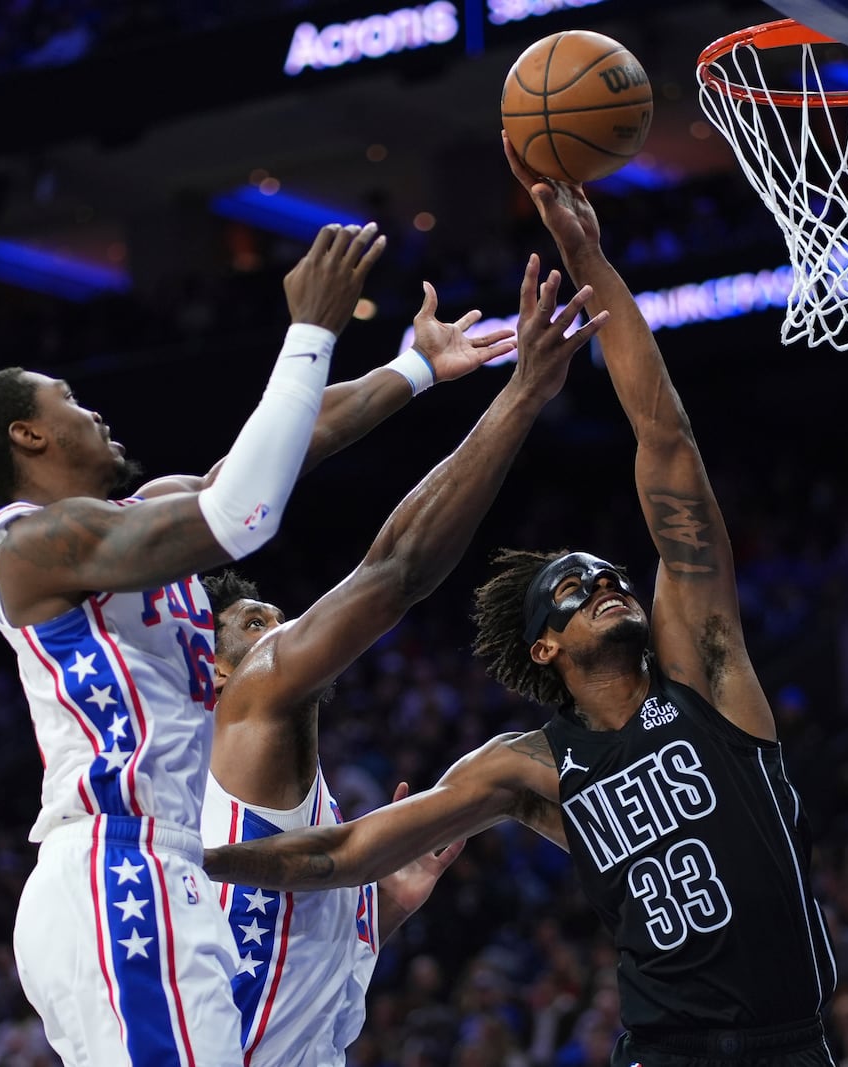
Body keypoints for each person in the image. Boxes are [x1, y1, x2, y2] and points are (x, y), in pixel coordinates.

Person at [203, 136, 839, 1067]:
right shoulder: (528, 767)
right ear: (546, 648)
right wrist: (200, 862)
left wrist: (591, 263)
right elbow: (338, 856)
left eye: (611, 575)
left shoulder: (704, 669)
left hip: (797, 1043)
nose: (610, 585)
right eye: (577, 588)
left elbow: (663, 435)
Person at [0, 222, 515, 1065]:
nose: (90, 409)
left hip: (164, 867)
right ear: (28, 435)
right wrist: (310, 330)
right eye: (67, 398)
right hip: (114, 859)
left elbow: (277, 453)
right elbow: (244, 513)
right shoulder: (24, 547)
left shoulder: (139, 520)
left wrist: (415, 367)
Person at [198, 252, 605, 1065]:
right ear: (212, 673)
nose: (281, 630)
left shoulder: (248, 789)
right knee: (505, 770)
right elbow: (396, 570)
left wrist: (377, 912)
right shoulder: (245, 714)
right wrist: (522, 392)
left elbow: (265, 946)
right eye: (255, 627)